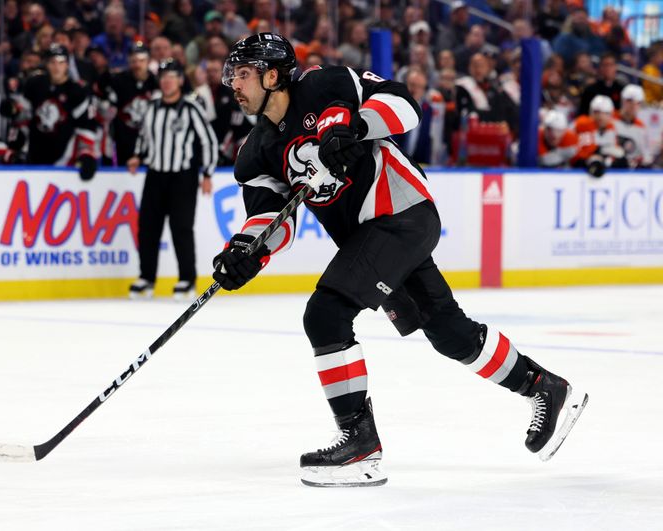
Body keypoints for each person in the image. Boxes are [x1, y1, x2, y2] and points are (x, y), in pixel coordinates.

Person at [214, 33, 588, 488]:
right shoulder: (255, 151)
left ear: (273, 75)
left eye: (244, 74)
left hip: (402, 214)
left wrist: (353, 126)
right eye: (232, 74)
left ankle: (359, 443)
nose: (234, 83)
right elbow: (272, 218)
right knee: (450, 333)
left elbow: (404, 103)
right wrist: (245, 253)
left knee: (326, 314)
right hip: (369, 237)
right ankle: (544, 387)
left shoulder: (324, 84)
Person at [127, 59, 218, 300]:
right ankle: (146, 277)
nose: (167, 81)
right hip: (155, 174)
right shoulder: (151, 107)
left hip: (183, 177)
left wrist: (207, 173)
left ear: (180, 80)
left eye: (172, 76)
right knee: (147, 228)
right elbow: (144, 137)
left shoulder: (191, 108)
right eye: (164, 76)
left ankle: (186, 279)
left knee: (181, 228)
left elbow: (208, 141)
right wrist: (138, 155)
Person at [22, 44, 97, 181]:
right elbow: (22, 118)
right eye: (53, 63)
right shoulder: (34, 84)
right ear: (46, 64)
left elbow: (86, 127)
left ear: (67, 65)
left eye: (61, 63)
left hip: (65, 161)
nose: (57, 68)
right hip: (34, 156)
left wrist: (86, 154)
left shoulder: (77, 90)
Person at [107, 43, 158, 166]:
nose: (137, 65)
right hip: (123, 143)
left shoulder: (157, 83)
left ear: (148, 61)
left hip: (151, 145)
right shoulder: (118, 81)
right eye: (134, 61)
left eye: (141, 61)